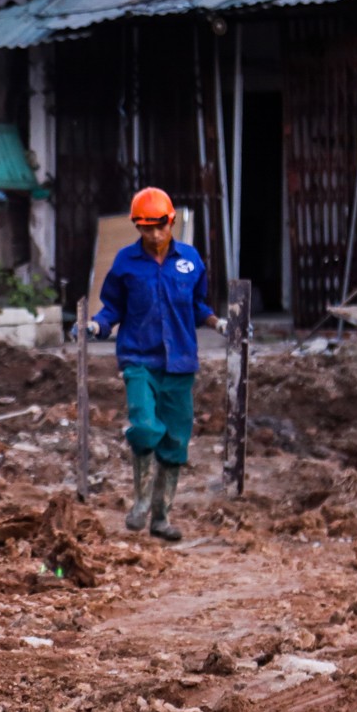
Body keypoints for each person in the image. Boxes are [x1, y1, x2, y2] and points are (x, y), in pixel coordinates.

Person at [88, 187, 227, 541]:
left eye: (160, 226)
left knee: (175, 442)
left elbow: (198, 305)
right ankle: (140, 502)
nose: (154, 235)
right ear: (137, 226)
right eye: (146, 228)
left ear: (172, 222)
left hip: (180, 362)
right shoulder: (125, 263)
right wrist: (96, 325)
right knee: (146, 427)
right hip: (139, 359)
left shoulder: (191, 261)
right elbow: (112, 306)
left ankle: (161, 517)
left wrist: (217, 323)